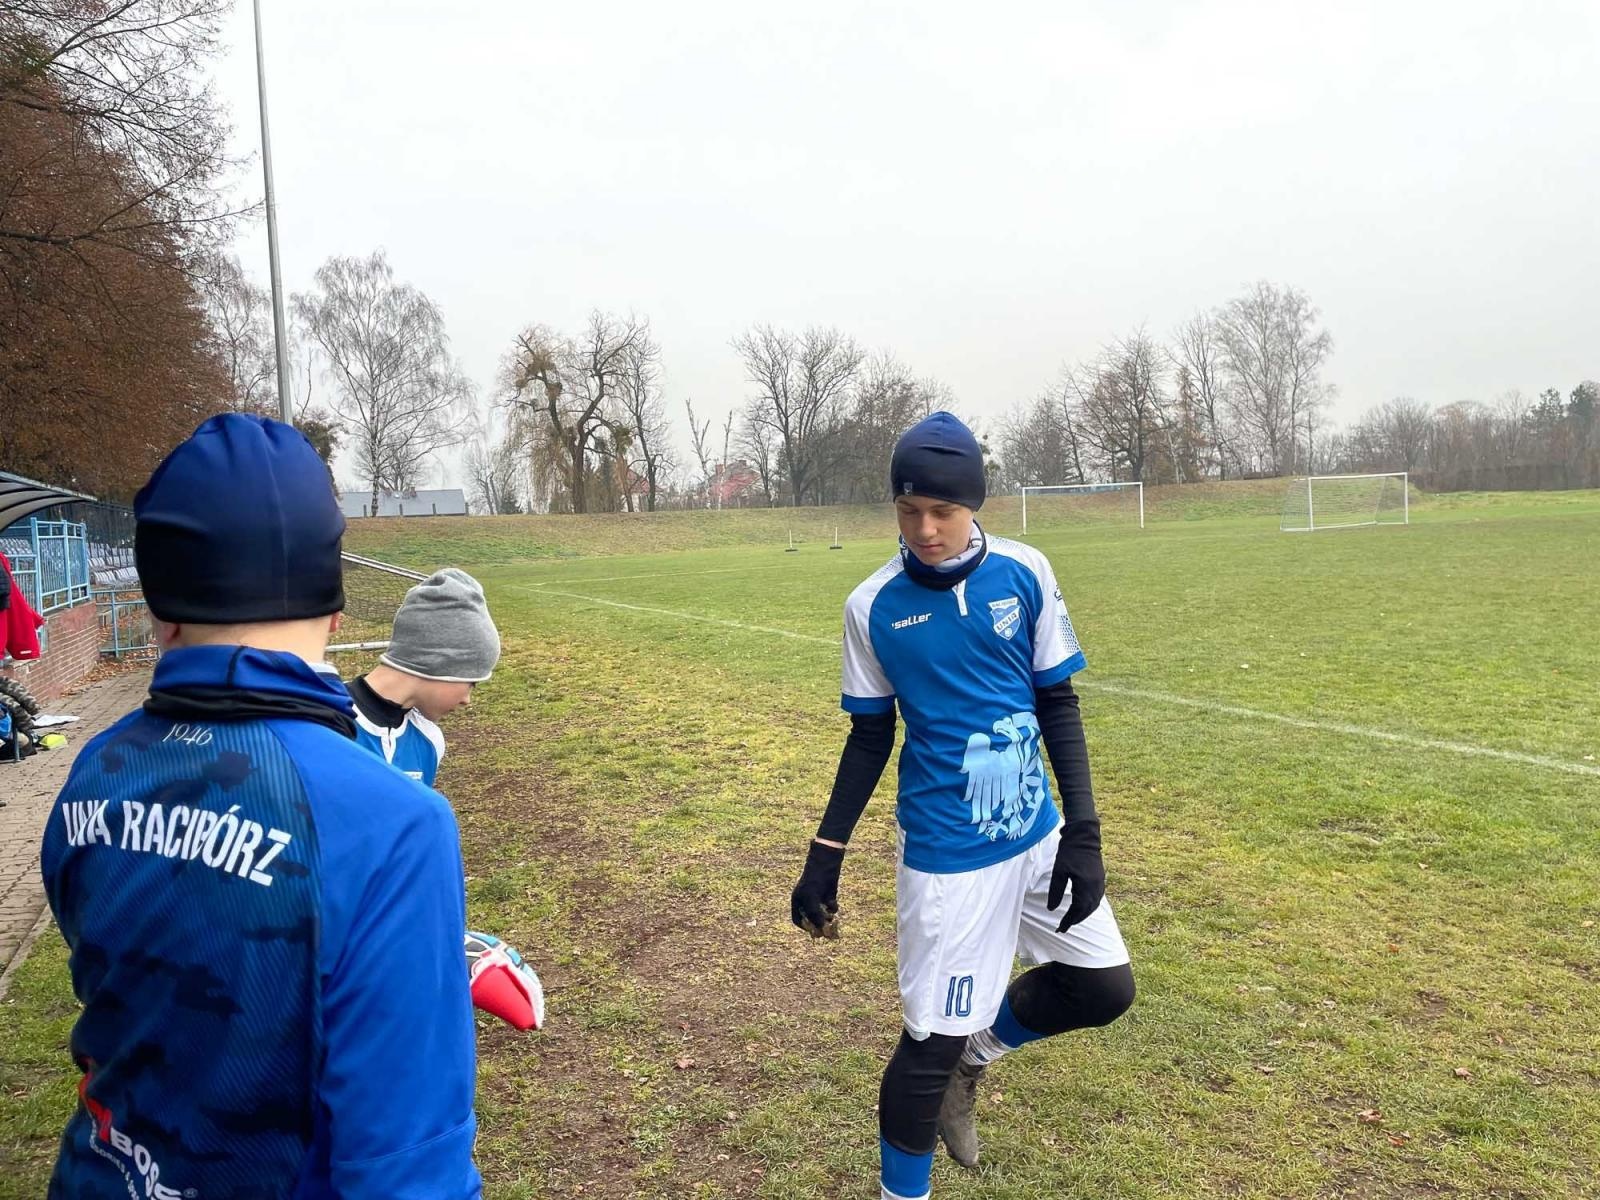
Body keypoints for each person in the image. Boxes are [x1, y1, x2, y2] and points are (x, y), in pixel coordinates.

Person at [40, 413, 481, 1199]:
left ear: (159, 609)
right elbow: (409, 1166)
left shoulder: (93, 775)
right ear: (336, 610)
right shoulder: (395, 824)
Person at [790, 412, 1136, 1200]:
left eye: (942, 512)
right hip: (950, 857)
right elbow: (869, 738)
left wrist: (1082, 831)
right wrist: (825, 855)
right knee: (925, 1050)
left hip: (1039, 833)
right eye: (908, 512)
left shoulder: (1026, 572)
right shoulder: (871, 605)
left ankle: (977, 1061)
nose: (925, 529)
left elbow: (1059, 704)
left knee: (1103, 987)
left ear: (976, 504)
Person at [347, 567, 499, 787]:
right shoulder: (322, 719)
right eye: (471, 682)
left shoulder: (429, 741)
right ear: (441, 663)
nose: (467, 700)